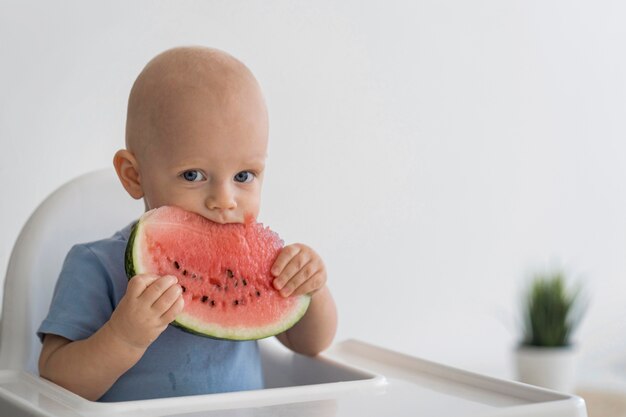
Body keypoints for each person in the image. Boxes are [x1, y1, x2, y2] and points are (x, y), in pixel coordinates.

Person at [37, 46, 338, 402]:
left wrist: (312, 289)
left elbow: (310, 344)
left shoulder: (263, 267)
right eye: (193, 175)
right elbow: (55, 384)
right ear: (135, 176)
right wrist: (123, 337)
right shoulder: (93, 264)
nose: (224, 200)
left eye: (244, 175)